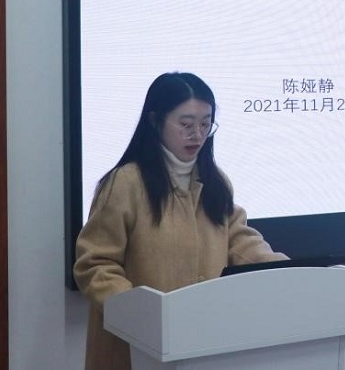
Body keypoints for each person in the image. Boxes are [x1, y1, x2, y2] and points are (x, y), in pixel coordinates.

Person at [74, 72, 287, 370]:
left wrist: (286, 272)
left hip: (200, 342)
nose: (197, 134)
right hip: (135, 347)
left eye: (205, 124)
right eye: (186, 124)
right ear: (155, 121)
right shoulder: (125, 183)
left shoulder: (215, 181)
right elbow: (95, 264)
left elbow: (241, 242)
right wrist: (141, 312)